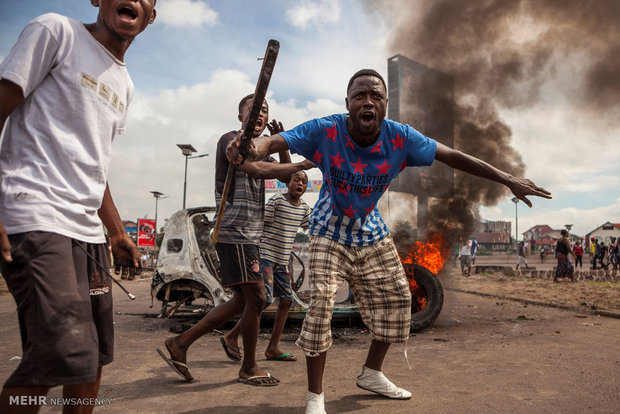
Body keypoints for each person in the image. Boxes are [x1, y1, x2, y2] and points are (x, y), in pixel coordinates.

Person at [227, 69, 551, 413]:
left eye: (375, 96)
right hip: (329, 226)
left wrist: (508, 179)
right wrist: (253, 146)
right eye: (360, 96)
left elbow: (452, 155)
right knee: (321, 303)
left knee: (398, 298)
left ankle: (371, 372)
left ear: (385, 103)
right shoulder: (326, 129)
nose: (368, 101)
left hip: (369, 227)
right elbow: (276, 143)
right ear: (348, 103)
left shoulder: (402, 138)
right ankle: (315, 397)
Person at [0, 1, 155, 412]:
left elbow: (92, 161)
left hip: (88, 233)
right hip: (33, 210)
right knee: (58, 349)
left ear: (150, 16)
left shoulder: (126, 84)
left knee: (92, 360)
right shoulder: (56, 32)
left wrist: (117, 231)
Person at [157, 95, 314, 386]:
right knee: (257, 297)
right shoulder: (231, 141)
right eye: (253, 109)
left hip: (250, 234)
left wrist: (284, 146)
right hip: (235, 230)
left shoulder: (261, 146)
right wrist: (304, 162)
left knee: (243, 299)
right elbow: (260, 170)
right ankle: (249, 367)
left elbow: (281, 177)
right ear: (240, 115)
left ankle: (181, 342)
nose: (259, 114)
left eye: (264, 111)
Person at [222, 170, 312, 363]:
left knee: (287, 300)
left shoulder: (304, 208)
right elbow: (261, 223)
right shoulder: (276, 201)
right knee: (264, 300)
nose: (300, 184)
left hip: (282, 259)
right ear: (288, 182)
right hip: (265, 256)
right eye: (296, 179)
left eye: (304, 182)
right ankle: (232, 335)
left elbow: (312, 225)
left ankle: (273, 348)